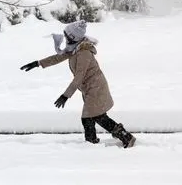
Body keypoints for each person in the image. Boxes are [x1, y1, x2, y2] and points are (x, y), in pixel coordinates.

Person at [19, 20, 136, 148]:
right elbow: (58, 57)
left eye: (67, 35)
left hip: (95, 88)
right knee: (96, 116)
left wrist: (65, 96)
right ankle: (115, 138)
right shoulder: (75, 48)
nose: (65, 38)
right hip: (90, 87)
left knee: (90, 117)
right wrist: (38, 63)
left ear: (73, 37)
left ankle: (103, 141)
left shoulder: (83, 52)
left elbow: (79, 77)